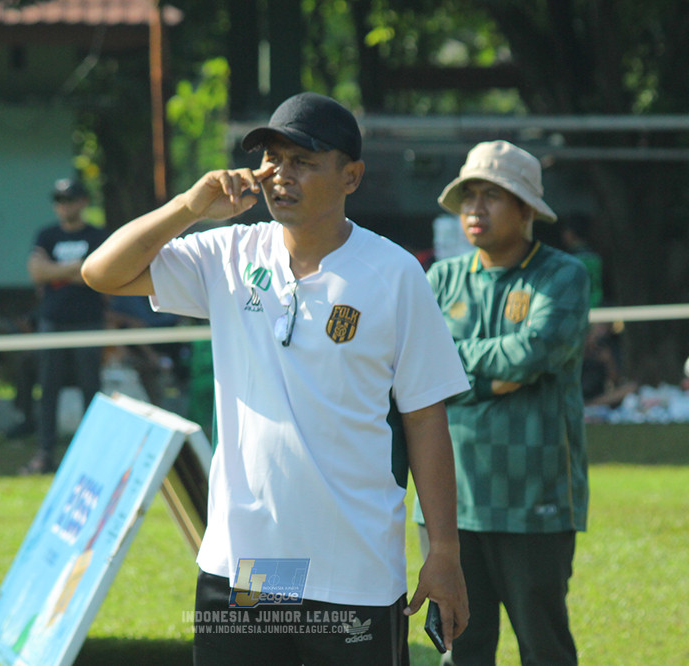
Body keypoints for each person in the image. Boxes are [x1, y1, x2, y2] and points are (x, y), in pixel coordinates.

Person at [81, 92, 471, 665]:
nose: (280, 176)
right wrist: (191, 206)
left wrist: (444, 549)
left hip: (352, 569)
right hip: (246, 566)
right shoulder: (229, 253)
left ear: (351, 176)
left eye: (304, 162)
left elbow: (424, 415)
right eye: (274, 160)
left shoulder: (393, 273)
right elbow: (102, 272)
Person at [415, 140, 590, 665]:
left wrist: (455, 369)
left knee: (544, 647)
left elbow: (534, 353)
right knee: (459, 648)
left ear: (527, 208)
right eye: (469, 195)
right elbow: (419, 372)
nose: (475, 208)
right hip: (450, 502)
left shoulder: (563, 275)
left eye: (493, 196)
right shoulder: (440, 279)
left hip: (534, 501)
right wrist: (497, 377)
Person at [22, 178, 109, 474]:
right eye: (59, 200)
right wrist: (77, 268)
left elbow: (99, 275)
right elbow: (36, 272)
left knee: (91, 388)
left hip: (88, 321)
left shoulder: (97, 235)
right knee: (48, 388)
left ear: (83, 201)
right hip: (52, 322)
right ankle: (45, 453)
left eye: (70, 199)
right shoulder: (46, 234)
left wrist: (55, 272)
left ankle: (92, 455)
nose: (64, 205)